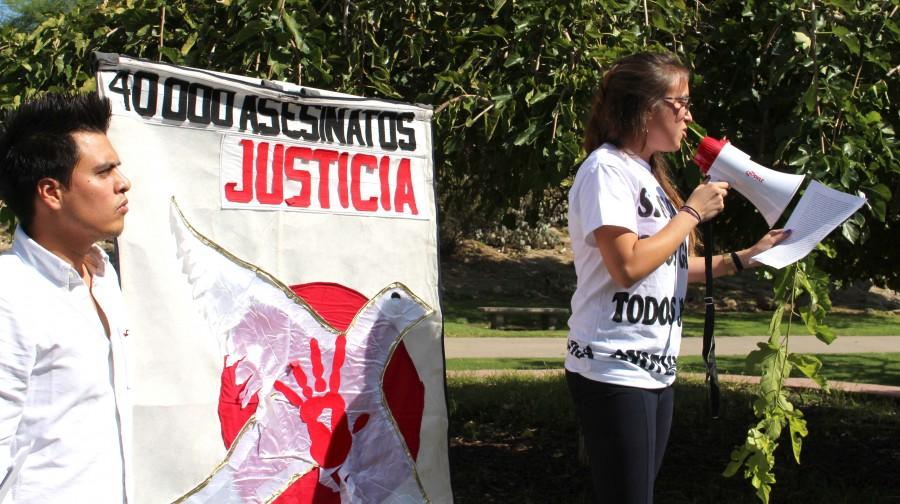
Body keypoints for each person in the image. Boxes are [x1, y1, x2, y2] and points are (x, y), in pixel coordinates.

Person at [565, 52, 790, 503]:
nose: (689, 114)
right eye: (680, 102)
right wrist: (691, 212)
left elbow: (670, 268)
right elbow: (627, 266)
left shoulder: (646, 175)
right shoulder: (606, 170)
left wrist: (749, 257)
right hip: (613, 366)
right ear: (647, 108)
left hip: (654, 368)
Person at [0, 93, 132, 502]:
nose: (122, 182)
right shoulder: (11, 295)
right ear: (51, 192)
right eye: (104, 171)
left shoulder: (103, 276)